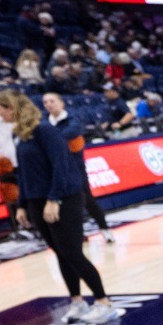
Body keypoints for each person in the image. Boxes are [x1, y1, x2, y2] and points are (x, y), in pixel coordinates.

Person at [7, 91, 120, 325]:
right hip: (37, 200)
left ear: (13, 107)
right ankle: (77, 301)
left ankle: (103, 302)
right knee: (60, 253)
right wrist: (22, 205)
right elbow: (24, 174)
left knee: (72, 252)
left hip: (62, 198)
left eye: (0, 108)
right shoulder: (21, 135)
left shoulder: (44, 130)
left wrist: (54, 198)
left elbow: (60, 165)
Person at [45, 91, 112, 236]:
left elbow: (71, 132)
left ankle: (104, 228)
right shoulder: (45, 122)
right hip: (56, 167)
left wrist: (52, 138)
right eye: (45, 102)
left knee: (86, 199)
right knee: (65, 203)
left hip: (75, 167)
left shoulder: (73, 119)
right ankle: (77, 234)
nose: (49, 104)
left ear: (61, 103)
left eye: (52, 101)